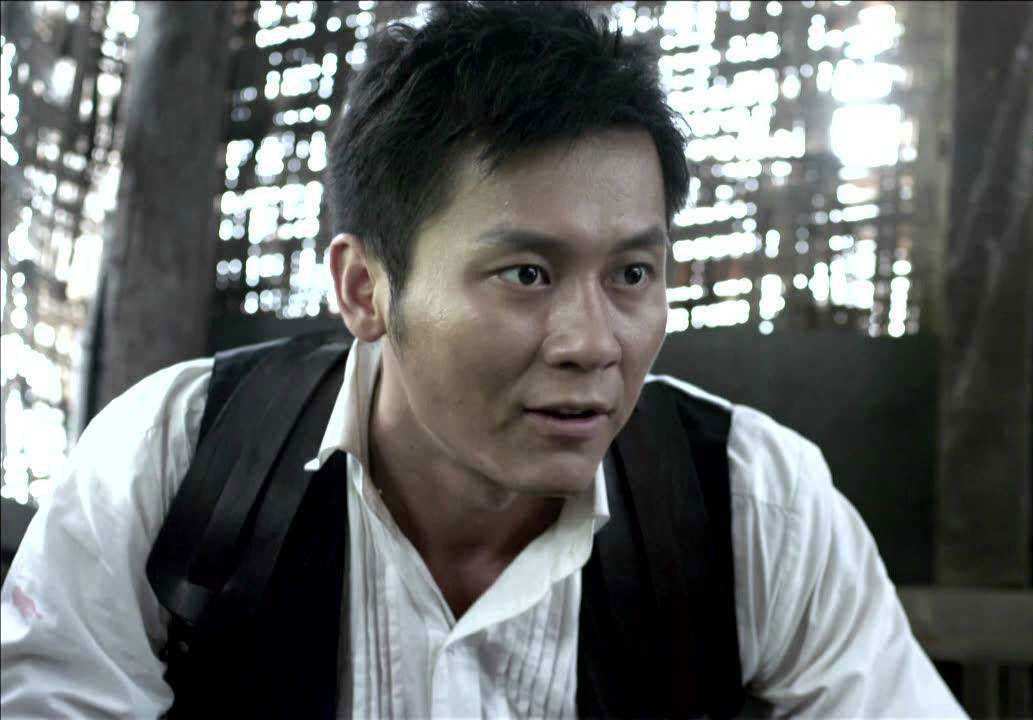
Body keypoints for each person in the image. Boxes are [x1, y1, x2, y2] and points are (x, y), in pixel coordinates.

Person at [1, 2, 965, 717]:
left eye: (633, 273)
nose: (593, 344)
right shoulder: (179, 462)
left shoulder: (753, 504)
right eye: (526, 275)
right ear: (365, 288)